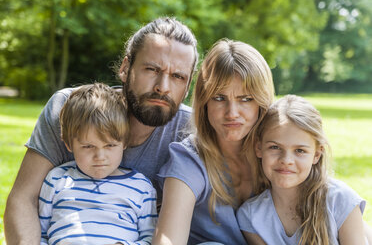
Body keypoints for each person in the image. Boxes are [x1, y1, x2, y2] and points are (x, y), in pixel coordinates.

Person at [4, 17, 198, 244]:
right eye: (152, 69)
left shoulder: (191, 130)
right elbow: (24, 199)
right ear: (125, 68)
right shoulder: (70, 109)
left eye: (177, 76)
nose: (162, 87)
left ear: (187, 86)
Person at [153, 39, 275, 245]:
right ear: (204, 103)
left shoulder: (280, 153)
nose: (232, 113)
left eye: (245, 99)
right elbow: (168, 239)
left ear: (261, 103)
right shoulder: (189, 159)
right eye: (219, 98)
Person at [237, 95, 367, 245]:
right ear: (259, 148)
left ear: (316, 155)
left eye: (299, 150)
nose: (286, 160)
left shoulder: (340, 200)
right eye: (275, 147)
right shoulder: (250, 216)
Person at [38, 83, 157, 244]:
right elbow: (40, 233)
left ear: (124, 142)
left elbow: (150, 237)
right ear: (68, 144)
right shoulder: (56, 179)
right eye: (88, 146)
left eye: (110, 145)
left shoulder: (141, 187)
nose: (100, 156)